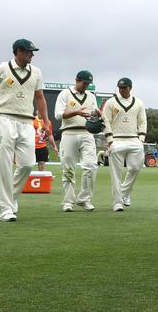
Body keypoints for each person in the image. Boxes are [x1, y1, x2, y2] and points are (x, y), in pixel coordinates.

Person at [0, 39, 50, 222]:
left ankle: (10, 198)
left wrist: (45, 121)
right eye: (29, 51)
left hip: (27, 122)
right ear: (19, 51)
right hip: (4, 119)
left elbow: (40, 98)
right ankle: (6, 208)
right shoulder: (1, 68)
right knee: (5, 165)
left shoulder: (36, 72)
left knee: (27, 164)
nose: (33, 55)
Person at [54, 70, 99, 212]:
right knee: (68, 168)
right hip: (69, 132)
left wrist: (98, 115)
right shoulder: (65, 94)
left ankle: (84, 198)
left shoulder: (91, 96)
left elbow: (94, 113)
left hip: (87, 133)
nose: (86, 86)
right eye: (84, 83)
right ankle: (68, 201)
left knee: (91, 166)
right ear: (77, 80)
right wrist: (76, 112)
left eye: (88, 84)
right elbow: (58, 115)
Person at [102, 77, 147, 212]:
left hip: (134, 140)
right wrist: (110, 140)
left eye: (124, 87)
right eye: (120, 87)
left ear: (130, 88)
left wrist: (141, 138)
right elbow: (105, 121)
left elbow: (142, 121)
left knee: (135, 168)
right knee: (116, 173)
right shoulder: (111, 102)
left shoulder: (138, 103)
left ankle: (124, 193)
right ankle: (117, 203)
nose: (122, 90)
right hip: (116, 140)